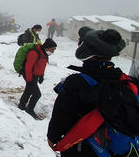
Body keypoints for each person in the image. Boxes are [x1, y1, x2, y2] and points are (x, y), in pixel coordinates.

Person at [47, 27, 127, 156]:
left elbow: (62, 116)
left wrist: (52, 138)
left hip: (81, 146)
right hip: (112, 148)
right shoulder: (122, 79)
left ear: (87, 52)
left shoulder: (76, 82)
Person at [18, 38, 57, 119]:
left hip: (36, 76)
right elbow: (28, 67)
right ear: (47, 48)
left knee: (28, 91)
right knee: (37, 94)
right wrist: (29, 79)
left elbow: (41, 66)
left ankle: (22, 105)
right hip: (30, 76)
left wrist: (41, 75)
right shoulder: (34, 53)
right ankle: (30, 109)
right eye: (52, 49)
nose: (53, 52)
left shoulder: (44, 54)